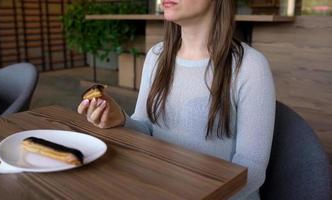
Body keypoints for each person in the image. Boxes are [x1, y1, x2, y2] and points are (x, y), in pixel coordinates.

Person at [78, 0, 276, 199]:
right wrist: (120, 119)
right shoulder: (157, 56)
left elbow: (253, 169)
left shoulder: (250, 66)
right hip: (161, 189)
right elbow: (146, 129)